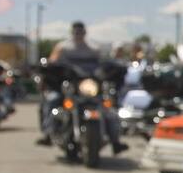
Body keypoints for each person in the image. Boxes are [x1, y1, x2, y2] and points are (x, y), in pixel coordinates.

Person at [37, 21, 129, 154]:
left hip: (90, 86)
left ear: (85, 32)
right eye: (76, 32)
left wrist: (117, 67)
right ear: (72, 32)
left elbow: (106, 61)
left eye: (81, 32)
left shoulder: (94, 48)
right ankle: (47, 134)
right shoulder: (63, 47)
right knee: (52, 100)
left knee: (108, 109)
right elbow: (52, 62)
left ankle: (116, 141)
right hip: (69, 85)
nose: (79, 34)